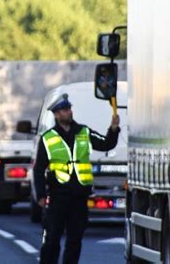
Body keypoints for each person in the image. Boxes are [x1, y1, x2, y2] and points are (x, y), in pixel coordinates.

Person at [33, 93, 120, 264]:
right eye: (65, 110)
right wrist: (41, 195)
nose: (69, 112)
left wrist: (113, 129)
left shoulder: (83, 132)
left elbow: (106, 144)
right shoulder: (48, 138)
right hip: (57, 197)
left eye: (69, 108)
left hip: (79, 198)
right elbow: (39, 169)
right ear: (57, 114)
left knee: (75, 241)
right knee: (51, 239)